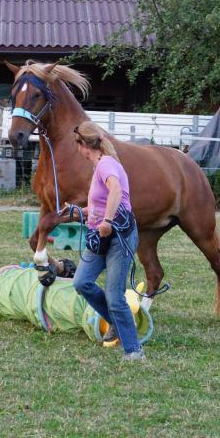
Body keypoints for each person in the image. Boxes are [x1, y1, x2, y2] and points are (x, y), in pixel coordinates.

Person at [71, 121, 145, 361]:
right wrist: (82, 212)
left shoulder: (106, 164)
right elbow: (103, 201)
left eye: (77, 145)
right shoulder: (100, 166)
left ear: (83, 145)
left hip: (118, 238)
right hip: (100, 237)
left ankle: (134, 350)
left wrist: (108, 221)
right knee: (82, 282)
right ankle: (116, 320)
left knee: (115, 296)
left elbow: (115, 191)